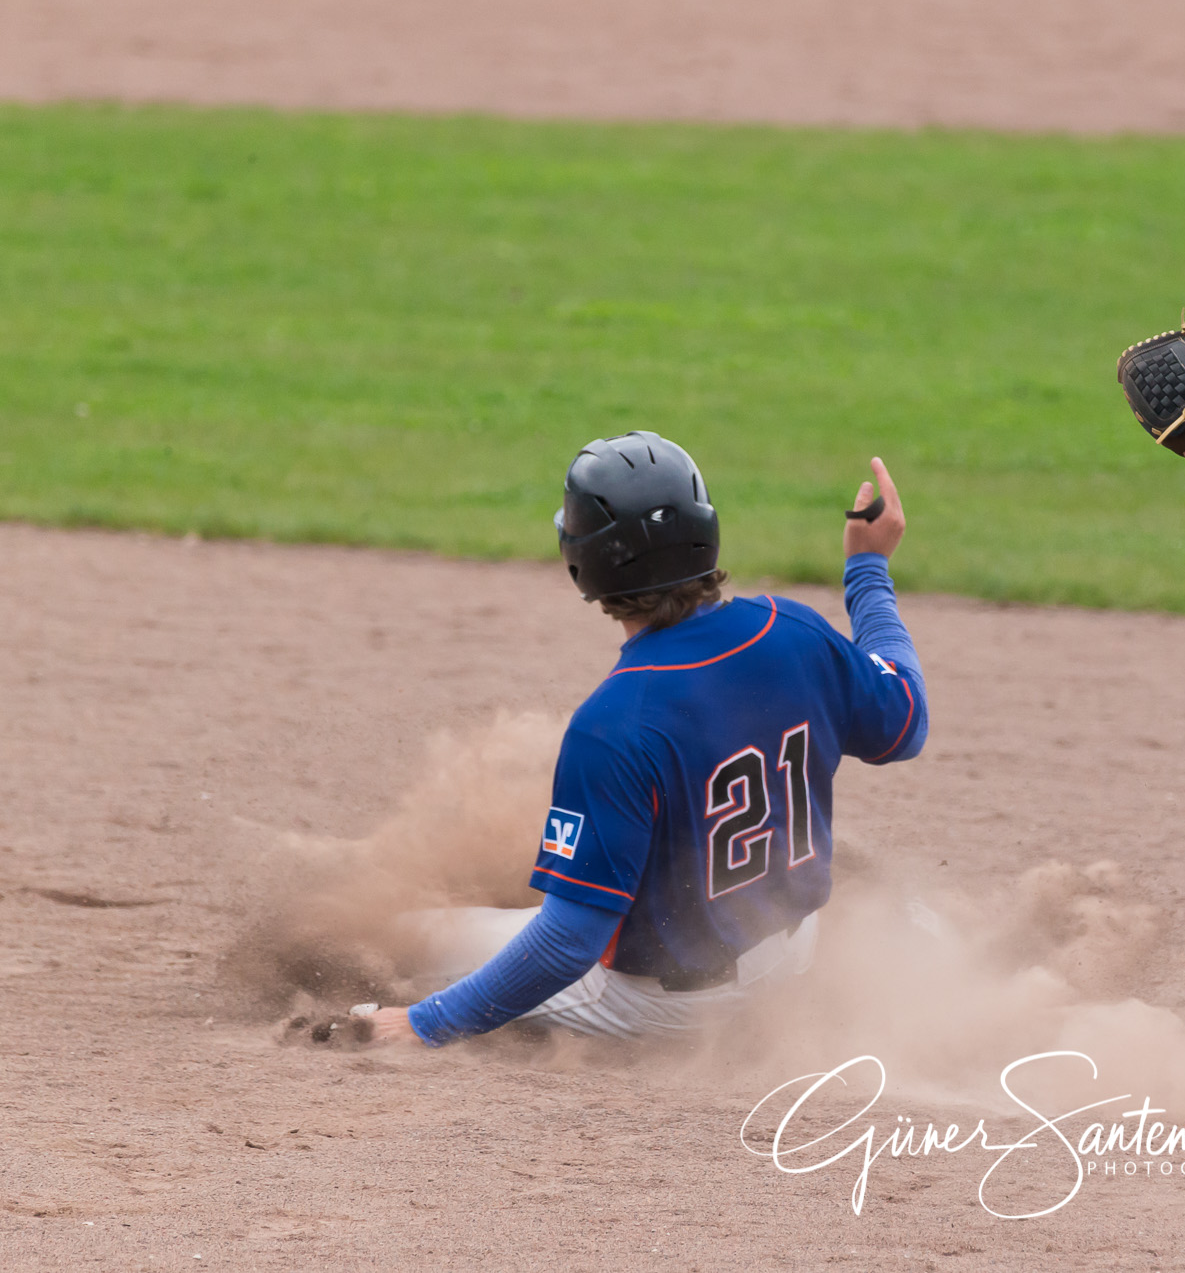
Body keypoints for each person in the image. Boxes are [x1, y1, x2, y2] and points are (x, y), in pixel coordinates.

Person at [362, 433, 926, 1045]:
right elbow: (905, 722)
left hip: (673, 1011)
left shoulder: (614, 722)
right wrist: (868, 570)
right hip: (793, 955)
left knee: (408, 936)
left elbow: (566, 943)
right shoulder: (792, 630)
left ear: (586, 563)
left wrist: (423, 1024)